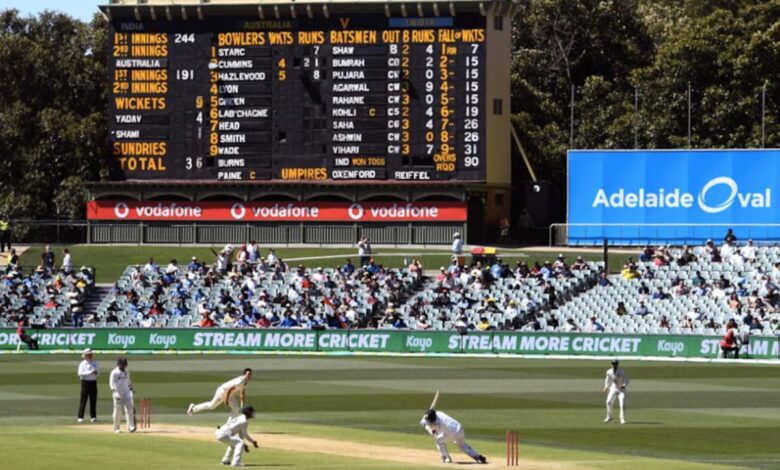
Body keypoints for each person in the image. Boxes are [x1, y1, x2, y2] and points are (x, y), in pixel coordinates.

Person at [420, 408, 487, 464]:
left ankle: (446, 458)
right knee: (462, 445)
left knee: (439, 441)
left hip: (452, 433)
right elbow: (427, 418)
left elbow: (434, 432)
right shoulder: (438, 413)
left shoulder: (438, 424)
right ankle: (478, 457)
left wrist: (426, 426)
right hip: (460, 429)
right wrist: (426, 416)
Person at [109, 357, 136, 433]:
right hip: (117, 392)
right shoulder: (114, 372)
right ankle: (116, 428)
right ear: (118, 364)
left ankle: (130, 427)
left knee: (130, 409)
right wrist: (115, 392)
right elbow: (111, 383)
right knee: (118, 411)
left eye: (124, 364)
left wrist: (131, 388)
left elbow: (128, 380)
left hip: (126, 392)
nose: (123, 366)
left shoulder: (127, 371)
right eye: (122, 364)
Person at [603, 359, 629, 424]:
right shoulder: (609, 371)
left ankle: (622, 418)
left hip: (621, 389)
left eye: (615, 364)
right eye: (613, 364)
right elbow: (607, 378)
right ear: (611, 364)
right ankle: (609, 417)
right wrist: (606, 386)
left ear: (617, 364)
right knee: (608, 401)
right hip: (614, 388)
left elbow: (627, 379)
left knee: (622, 403)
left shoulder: (621, 371)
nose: (614, 365)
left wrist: (624, 385)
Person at [77, 348, 99, 423]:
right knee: (83, 400)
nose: (90, 355)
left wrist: (95, 373)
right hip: (85, 382)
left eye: (91, 354)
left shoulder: (95, 363)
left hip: (93, 382)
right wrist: (89, 372)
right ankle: (80, 416)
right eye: (88, 354)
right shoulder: (82, 364)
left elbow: (98, 372)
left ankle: (93, 416)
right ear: (85, 355)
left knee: (93, 400)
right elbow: (80, 373)